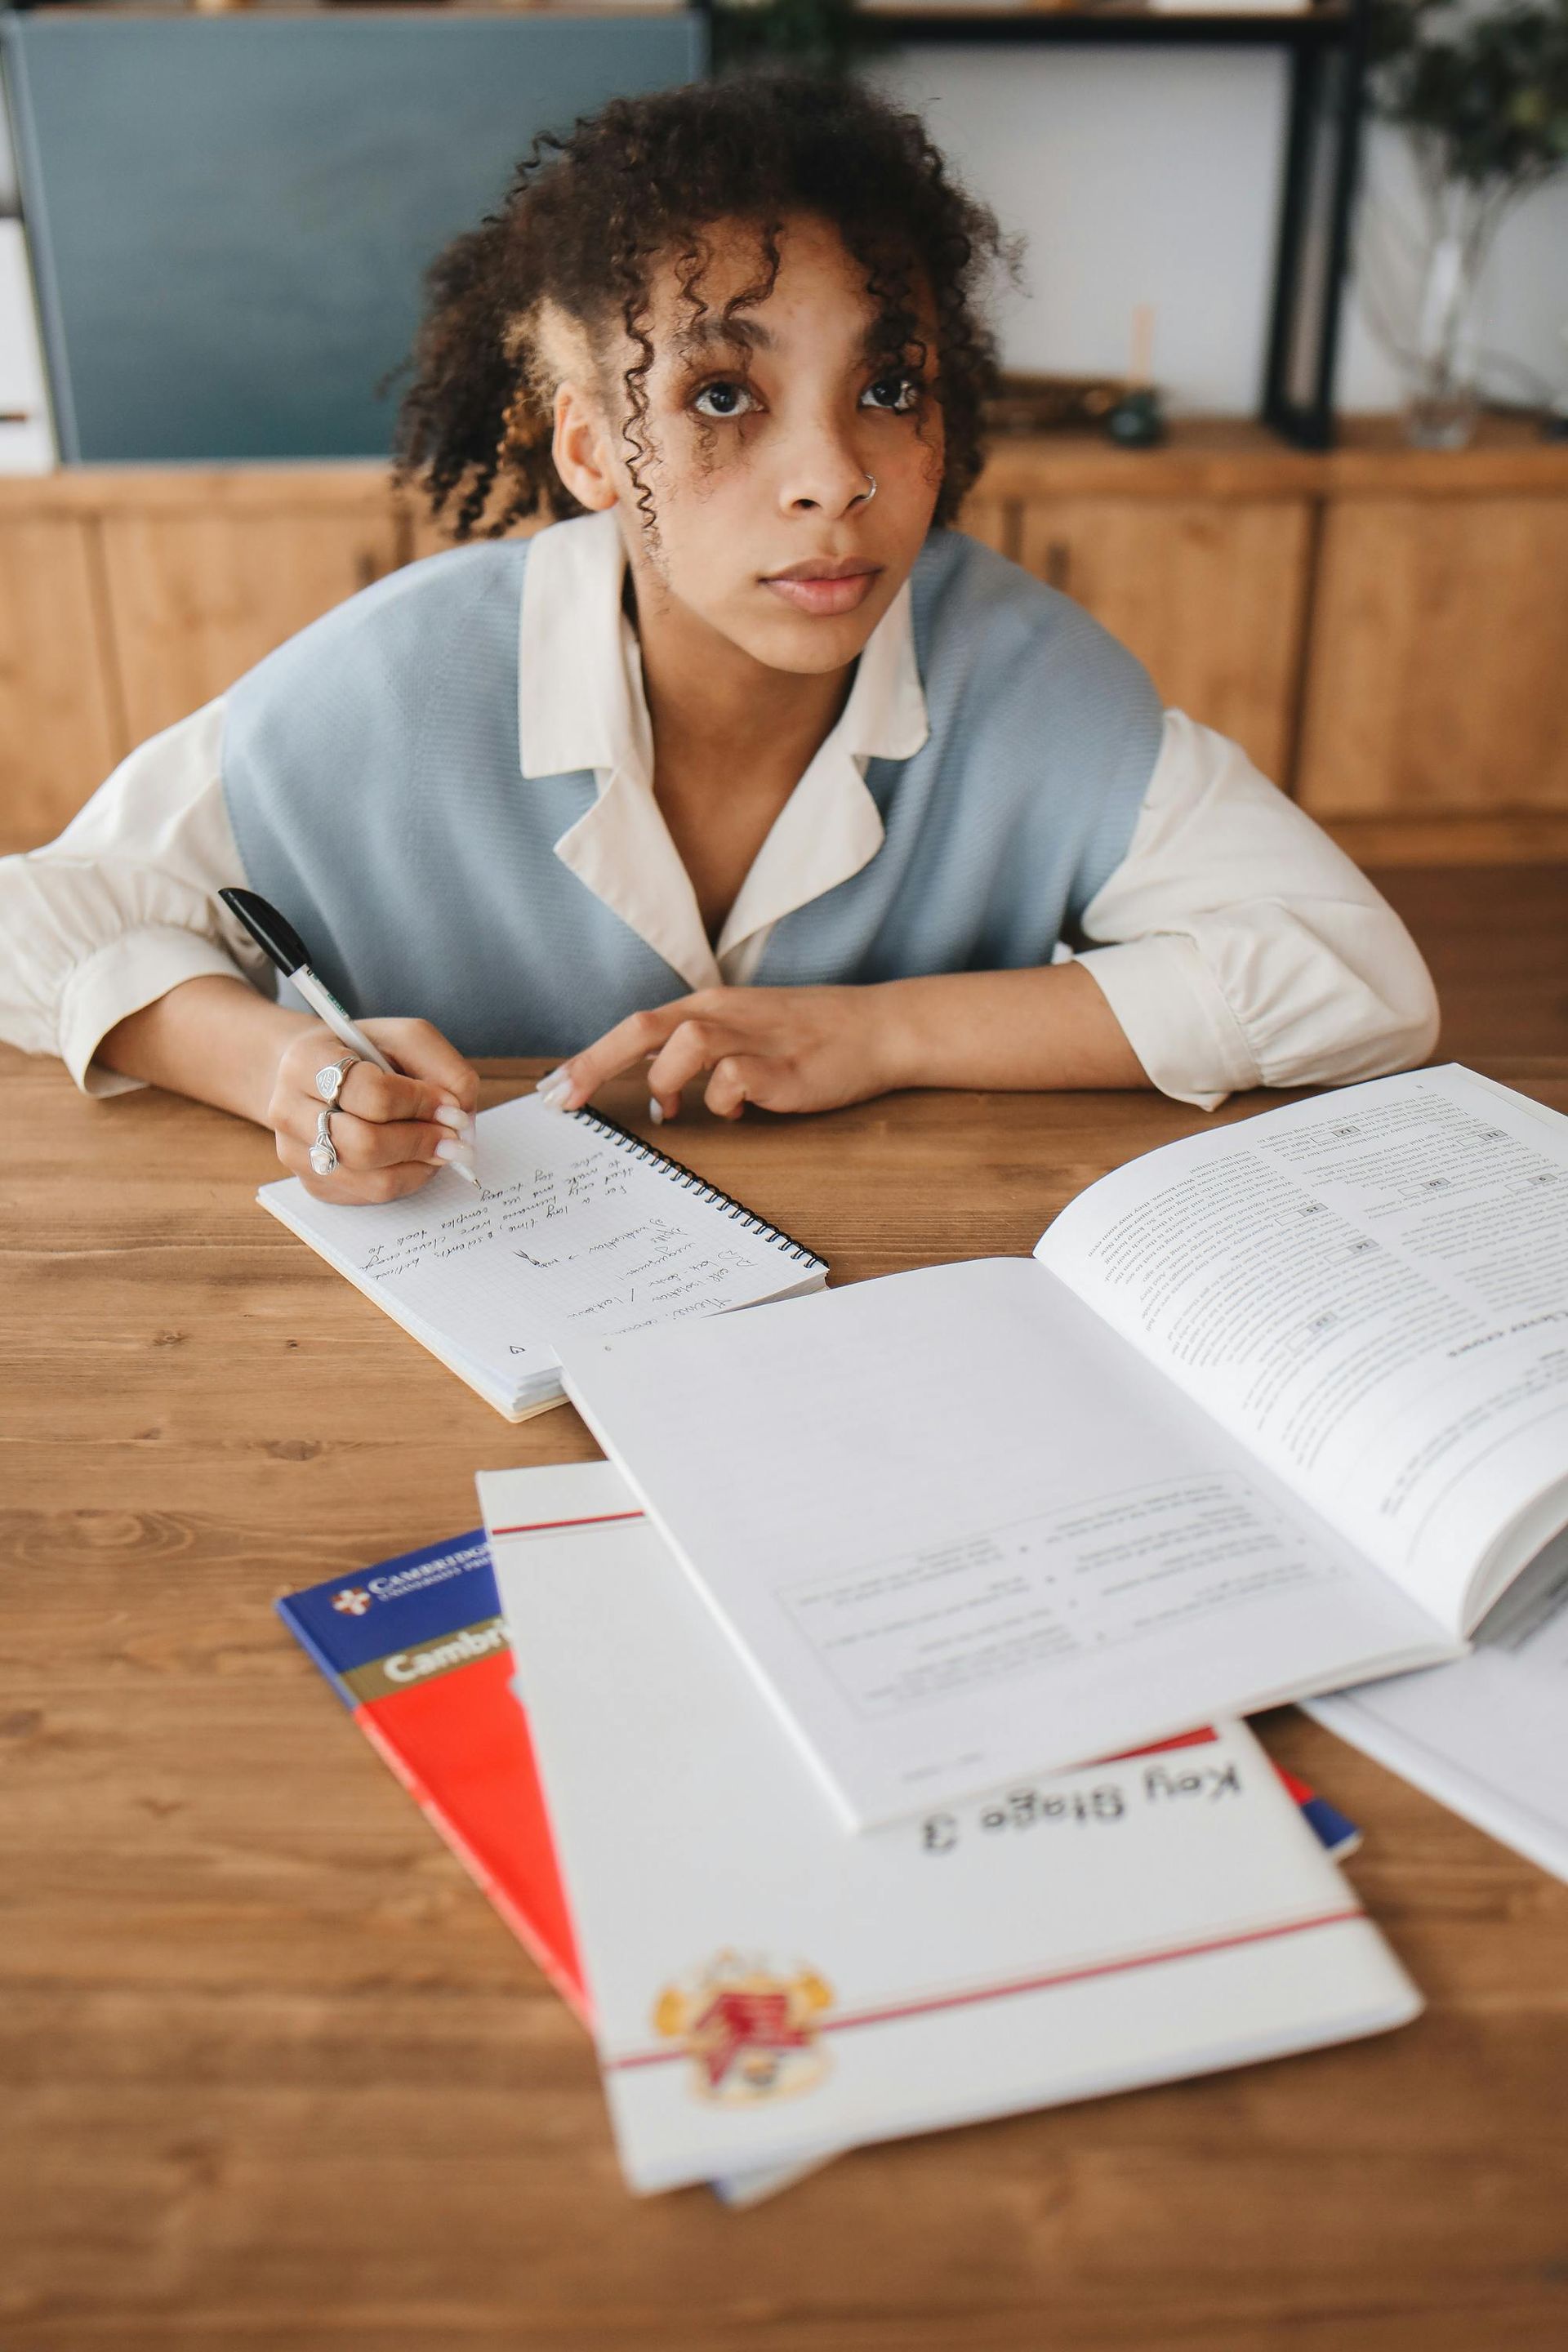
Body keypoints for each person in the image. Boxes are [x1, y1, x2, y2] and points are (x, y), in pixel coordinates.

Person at [0, 74, 1437, 1205]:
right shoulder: (385, 684)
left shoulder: (1031, 674)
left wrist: (882, 1033)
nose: (835, 476)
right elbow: (30, 923)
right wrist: (282, 1064)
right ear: (587, 448)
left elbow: (1356, 983)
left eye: (890, 383)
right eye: (724, 399)